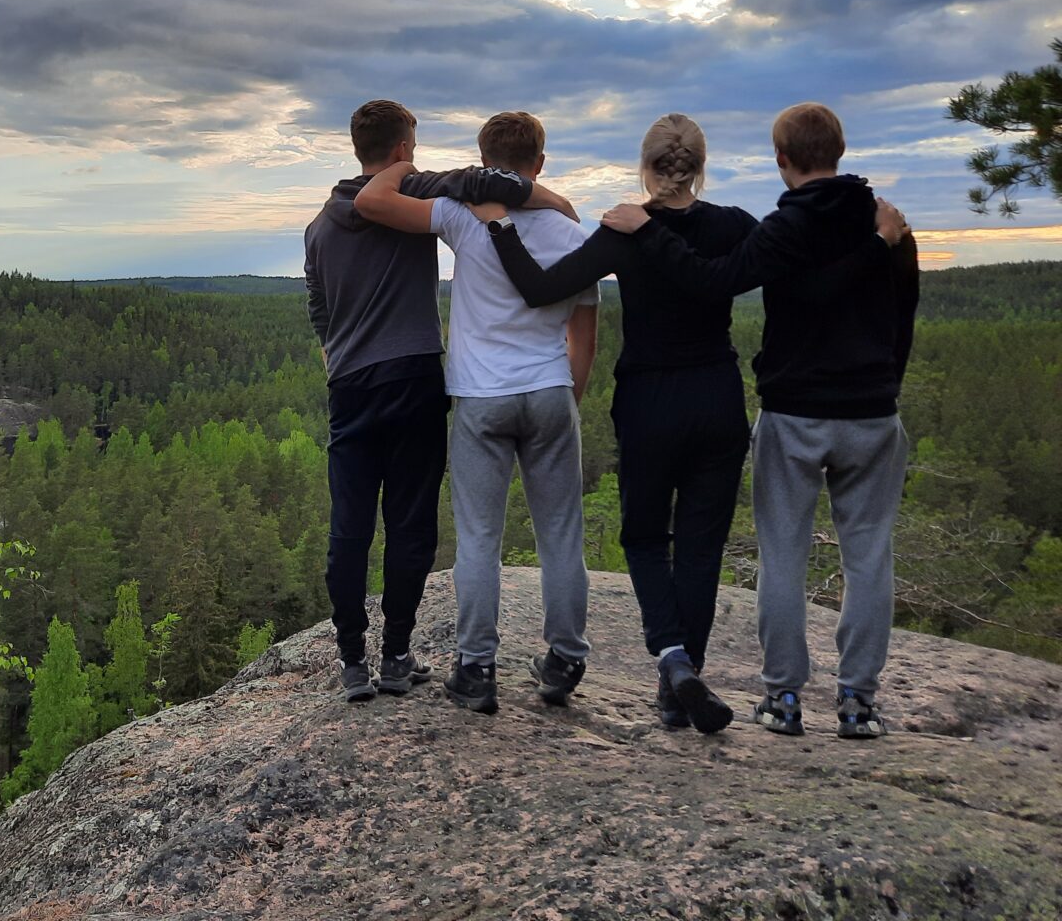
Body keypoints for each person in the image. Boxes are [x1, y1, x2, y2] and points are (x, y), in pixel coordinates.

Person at [602, 102, 919, 739]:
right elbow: (902, 316)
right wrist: (884, 384)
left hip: (795, 412)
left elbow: (729, 281)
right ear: (841, 149)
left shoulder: (784, 227)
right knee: (869, 560)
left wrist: (646, 228)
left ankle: (783, 700)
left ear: (781, 159)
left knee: (783, 557)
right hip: (871, 414)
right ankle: (857, 701)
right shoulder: (887, 222)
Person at [468, 113, 757, 732]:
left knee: (646, 539)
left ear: (646, 168)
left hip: (651, 400)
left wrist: (499, 229)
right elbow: (772, 268)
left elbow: (541, 291)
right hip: (718, 396)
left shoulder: (625, 229)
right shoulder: (734, 226)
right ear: (700, 168)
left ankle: (675, 658)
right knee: (701, 548)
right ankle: (678, 687)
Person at [304, 99, 572, 704]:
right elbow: (483, 184)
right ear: (403, 150)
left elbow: (319, 309)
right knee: (409, 523)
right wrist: (548, 199)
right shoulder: (417, 198)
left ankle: (351, 661)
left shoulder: (319, 225)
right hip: (415, 375)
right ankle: (396, 655)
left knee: (349, 526)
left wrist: (338, 354)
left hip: (350, 385)